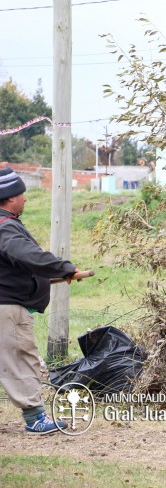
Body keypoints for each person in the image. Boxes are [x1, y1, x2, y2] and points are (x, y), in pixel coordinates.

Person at [0, 167, 82, 434]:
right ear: (10, 198)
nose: (25, 198)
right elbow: (28, 255)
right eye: (22, 194)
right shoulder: (6, 228)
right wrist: (64, 267)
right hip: (7, 308)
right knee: (21, 360)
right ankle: (35, 417)